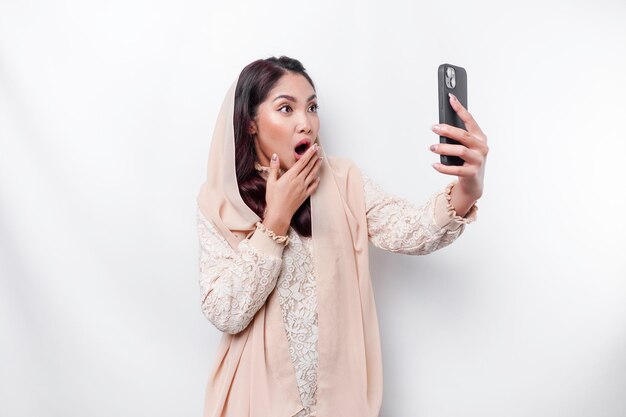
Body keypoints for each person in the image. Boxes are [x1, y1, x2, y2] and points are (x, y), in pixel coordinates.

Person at [196, 56, 488, 417]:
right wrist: (275, 222)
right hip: (255, 402)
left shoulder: (342, 179)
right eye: (286, 108)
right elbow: (225, 312)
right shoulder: (222, 200)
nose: (306, 123)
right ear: (251, 122)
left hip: (339, 404)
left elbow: (412, 231)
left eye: (312, 107)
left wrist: (468, 188)